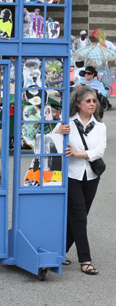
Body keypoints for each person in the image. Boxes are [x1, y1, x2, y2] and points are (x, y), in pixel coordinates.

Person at [55, 86, 106, 275]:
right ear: (78, 103)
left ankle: (61, 251)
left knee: (77, 217)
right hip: (71, 175)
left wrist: (77, 153)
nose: (92, 104)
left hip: (92, 176)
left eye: (94, 101)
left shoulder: (100, 126)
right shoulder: (66, 123)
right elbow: (48, 142)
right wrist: (59, 132)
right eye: (88, 101)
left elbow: (99, 151)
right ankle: (85, 260)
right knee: (79, 217)